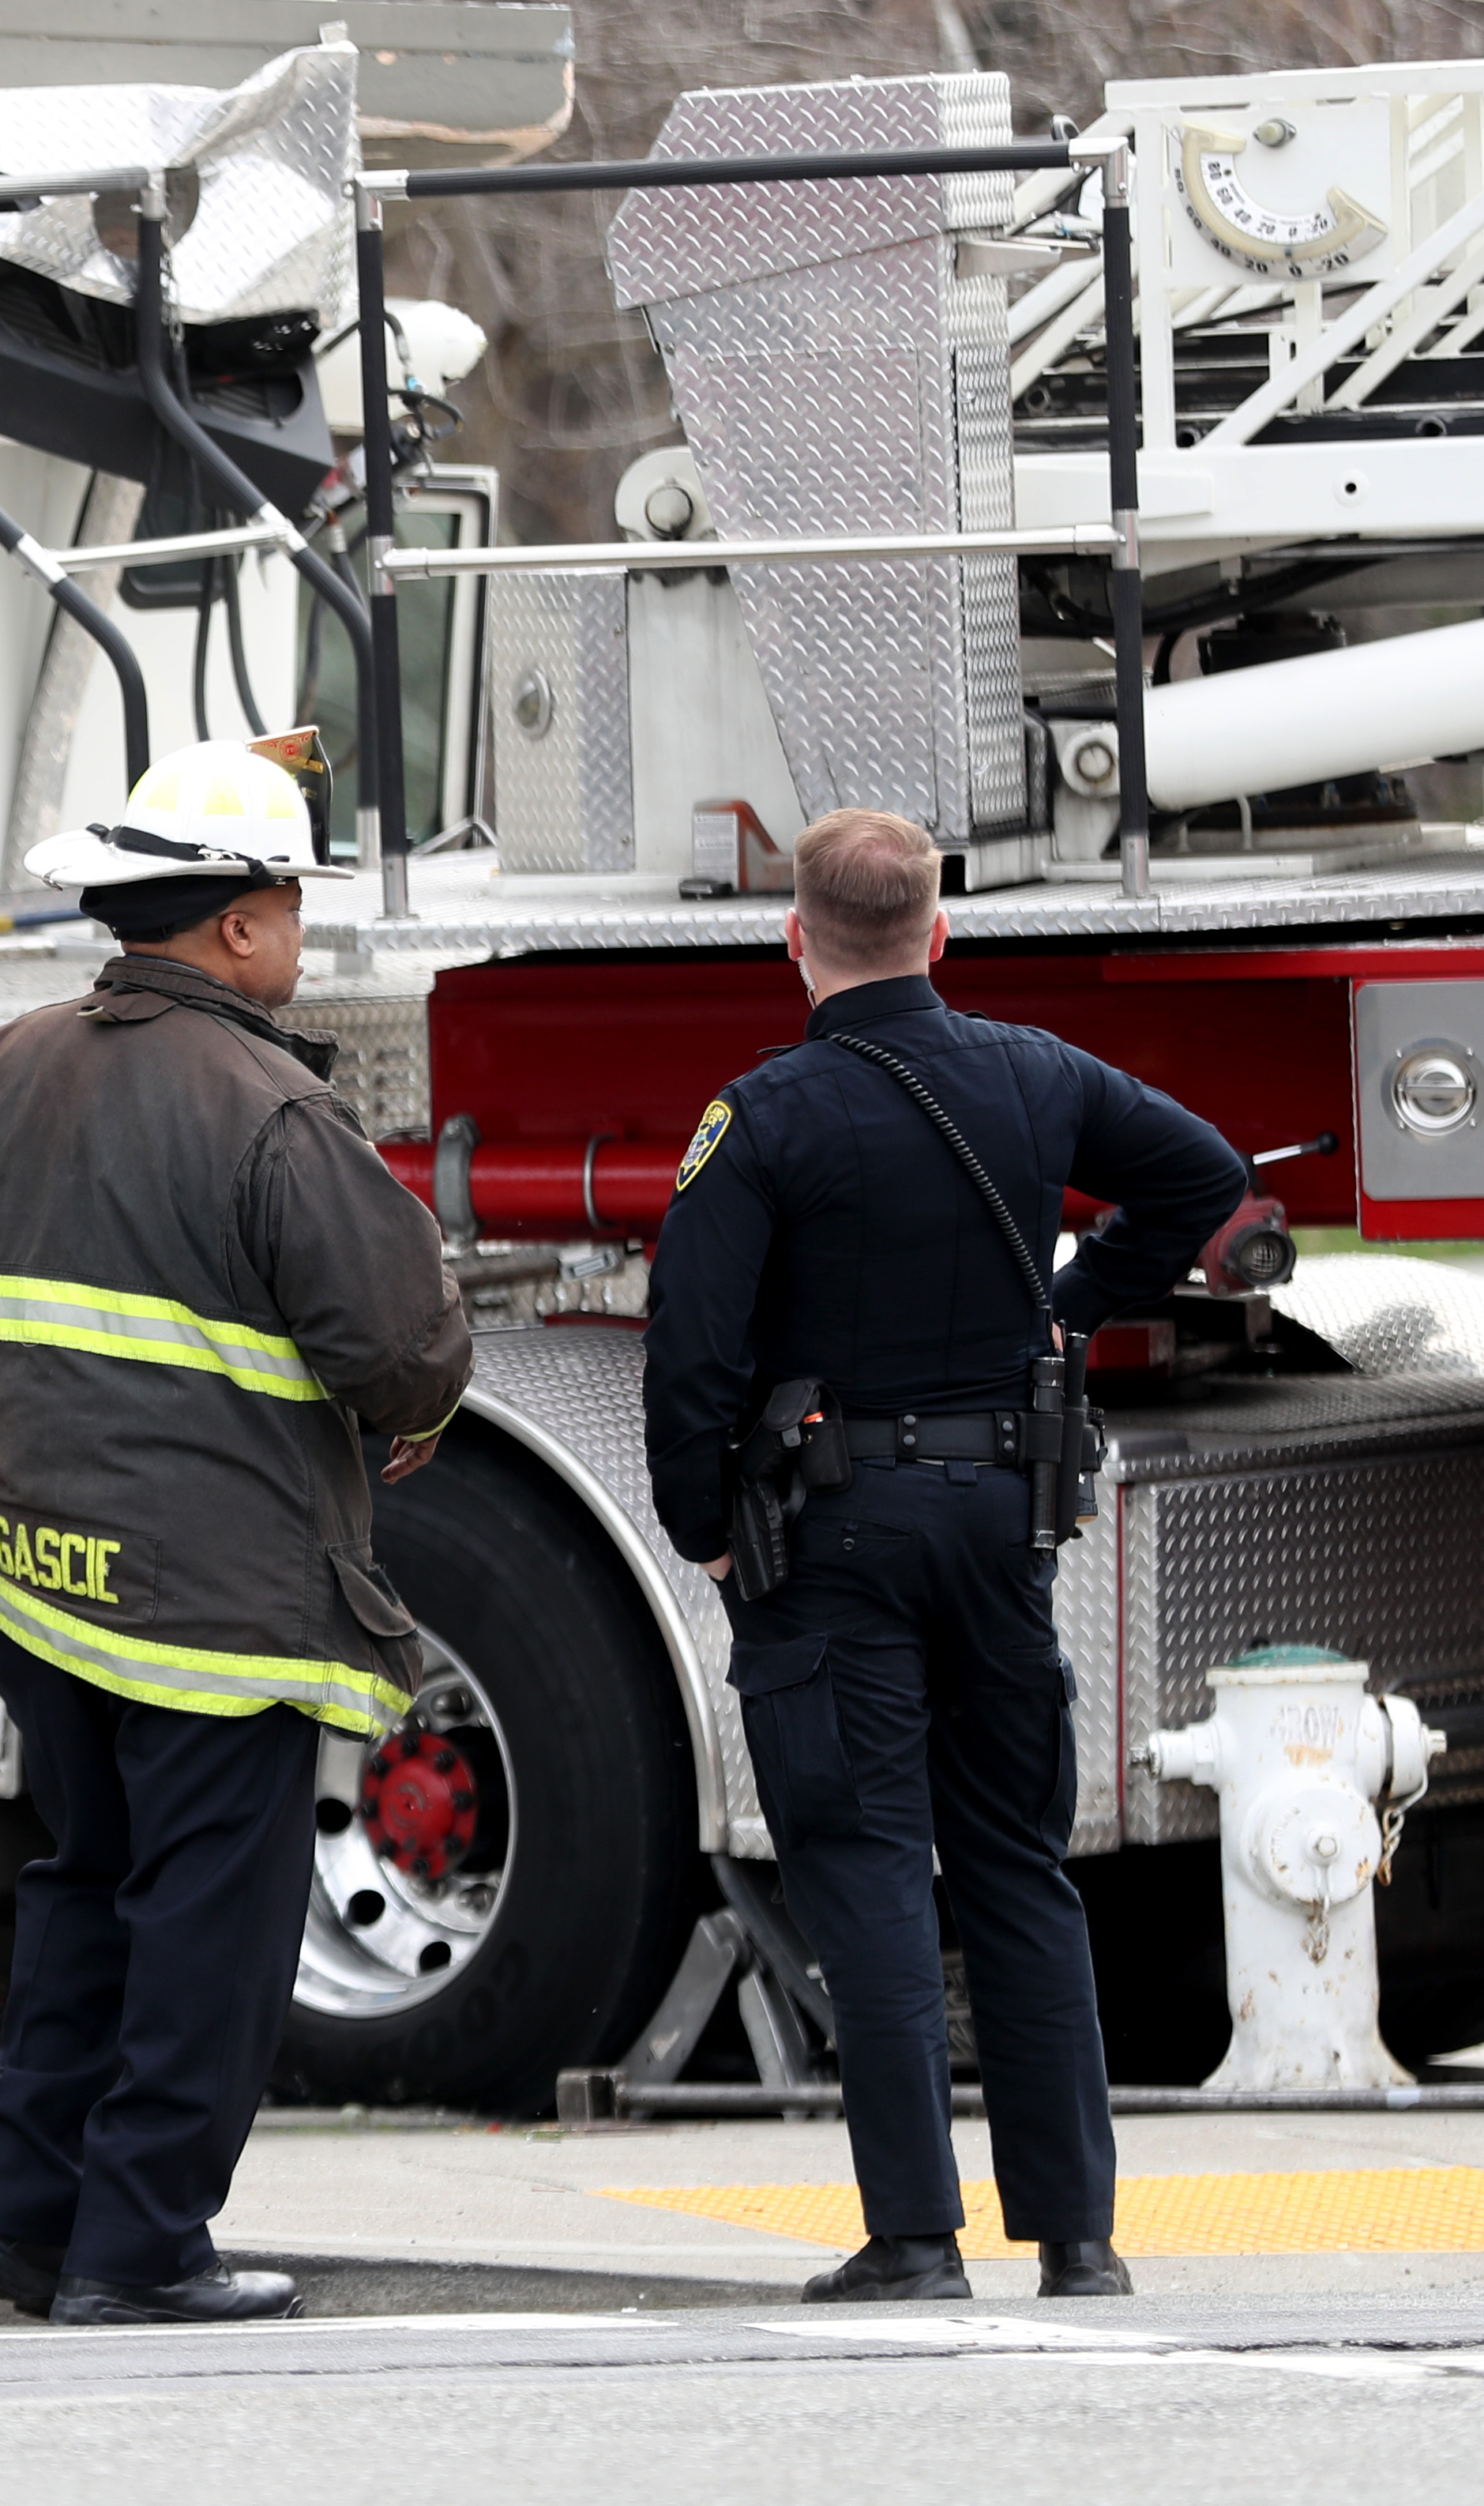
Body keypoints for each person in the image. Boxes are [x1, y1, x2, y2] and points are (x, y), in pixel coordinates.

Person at [0, 734, 471, 2325]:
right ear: (240, 925)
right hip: (211, 1601)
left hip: (35, 1588)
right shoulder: (268, 1108)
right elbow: (404, 1349)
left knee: (82, 1891)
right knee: (209, 1924)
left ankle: (12, 2221)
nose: (302, 936)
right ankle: (140, 2249)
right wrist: (408, 1411)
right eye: (293, 906)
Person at [644, 804, 1246, 2306]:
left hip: (833, 1534)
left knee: (864, 1866)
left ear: (795, 940)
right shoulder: (1036, 1073)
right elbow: (1205, 1171)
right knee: (1016, 1869)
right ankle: (1078, 2240)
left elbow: (693, 1355)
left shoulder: (763, 1115)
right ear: (942, 930)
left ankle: (915, 2238)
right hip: (1001, 1527)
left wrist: (706, 1529)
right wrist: (1077, 1299)